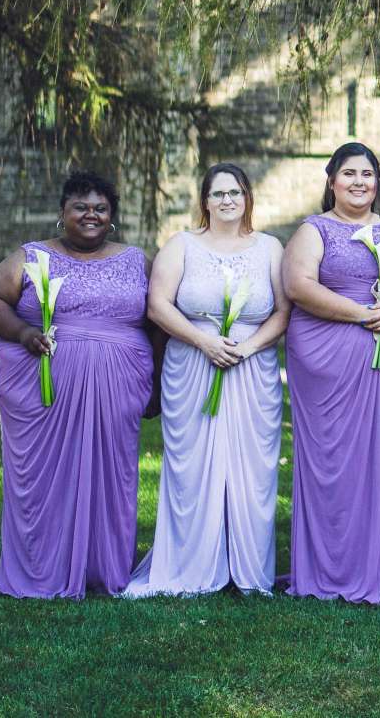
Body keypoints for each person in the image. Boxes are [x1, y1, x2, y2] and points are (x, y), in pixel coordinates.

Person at [0, 170, 153, 598]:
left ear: (111, 217)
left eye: (100, 208)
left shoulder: (136, 260)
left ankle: (103, 567)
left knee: (113, 477)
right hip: (47, 385)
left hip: (118, 384)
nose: (90, 215)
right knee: (43, 477)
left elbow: (157, 318)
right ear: (62, 213)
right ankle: (43, 567)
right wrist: (22, 334)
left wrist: (159, 385)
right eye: (80, 207)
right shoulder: (33, 257)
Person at [126, 163, 288, 597]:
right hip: (193, 365)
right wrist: (204, 342)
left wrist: (248, 349)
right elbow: (158, 306)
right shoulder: (181, 246)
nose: (227, 200)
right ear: (205, 201)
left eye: (235, 192)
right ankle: (191, 566)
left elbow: (284, 312)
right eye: (218, 194)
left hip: (252, 368)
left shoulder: (270, 248)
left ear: (247, 198)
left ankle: (248, 569)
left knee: (253, 469)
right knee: (192, 467)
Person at [280, 141, 380, 603]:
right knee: (334, 459)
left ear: (377, 182)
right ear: (331, 181)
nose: (359, 182)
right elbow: (299, 286)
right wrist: (362, 314)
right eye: (349, 174)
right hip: (330, 355)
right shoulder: (314, 230)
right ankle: (330, 568)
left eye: (367, 174)